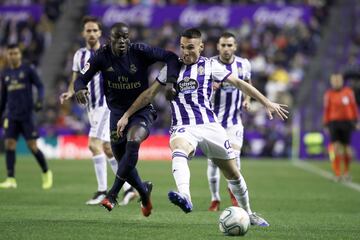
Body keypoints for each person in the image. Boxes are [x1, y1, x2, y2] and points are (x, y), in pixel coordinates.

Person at [116, 28, 288, 225]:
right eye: (182, 47)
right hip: (183, 126)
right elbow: (148, 94)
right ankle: (185, 196)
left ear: (201, 47)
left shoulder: (211, 66)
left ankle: (248, 213)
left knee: (233, 173)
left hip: (210, 125)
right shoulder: (171, 68)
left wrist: (266, 102)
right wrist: (126, 115)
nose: (185, 52)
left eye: (190, 47)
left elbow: (240, 83)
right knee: (179, 149)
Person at [74, 22, 180, 217]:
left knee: (133, 142)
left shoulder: (140, 51)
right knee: (123, 159)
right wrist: (79, 89)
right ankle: (143, 192)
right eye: (118, 38)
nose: (122, 41)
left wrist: (171, 82)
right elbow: (81, 78)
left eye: (125, 37)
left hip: (142, 111)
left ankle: (112, 194)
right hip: (116, 113)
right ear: (110, 40)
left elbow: (171, 57)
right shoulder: (102, 56)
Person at [59, 16, 137, 206]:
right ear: (83, 33)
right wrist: (71, 92)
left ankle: (103, 191)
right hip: (91, 108)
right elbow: (76, 77)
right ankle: (129, 189)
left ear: (100, 33)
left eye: (95, 30)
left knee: (94, 145)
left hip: (106, 105)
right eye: (89, 30)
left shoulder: (108, 53)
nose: (92, 33)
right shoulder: (79, 55)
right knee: (109, 149)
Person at [207, 32, 254, 213]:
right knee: (213, 163)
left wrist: (247, 100)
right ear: (218, 47)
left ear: (235, 47)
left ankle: (234, 195)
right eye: (223, 45)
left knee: (234, 159)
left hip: (234, 121)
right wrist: (211, 87)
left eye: (230, 45)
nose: (226, 48)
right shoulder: (210, 65)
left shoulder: (244, 64)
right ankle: (215, 198)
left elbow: (247, 83)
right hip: (213, 123)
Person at [0, 43, 53, 189]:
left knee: (32, 146)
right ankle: (11, 178)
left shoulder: (28, 69)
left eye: (15, 53)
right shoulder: (5, 73)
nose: (13, 56)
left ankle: (46, 172)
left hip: (27, 115)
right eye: (10, 53)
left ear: (20, 54)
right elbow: (3, 96)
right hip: (11, 115)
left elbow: (40, 86)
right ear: (7, 55)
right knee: (9, 144)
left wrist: (39, 101)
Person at [323, 73, 359, 181]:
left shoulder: (348, 92)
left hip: (347, 122)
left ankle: (346, 172)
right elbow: (326, 109)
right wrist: (326, 124)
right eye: (334, 80)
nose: (336, 82)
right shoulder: (328, 94)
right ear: (331, 82)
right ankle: (338, 174)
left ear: (342, 81)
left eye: (338, 80)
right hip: (334, 123)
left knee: (347, 149)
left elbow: (353, 107)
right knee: (336, 147)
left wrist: (356, 121)